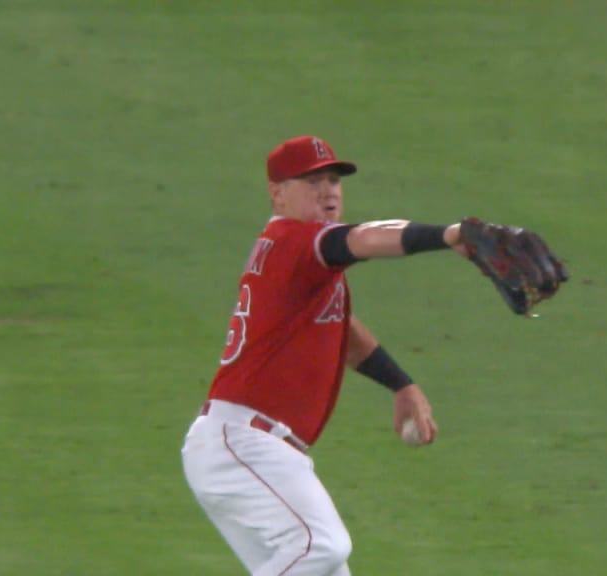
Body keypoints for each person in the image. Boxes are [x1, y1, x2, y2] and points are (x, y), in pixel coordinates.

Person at [181, 135, 472, 575]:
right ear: (277, 193)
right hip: (243, 443)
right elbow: (366, 239)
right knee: (321, 546)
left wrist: (400, 383)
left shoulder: (301, 262)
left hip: (248, 448)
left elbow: (343, 331)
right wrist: (448, 236)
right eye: (311, 180)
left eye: (334, 180)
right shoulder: (294, 241)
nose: (328, 191)